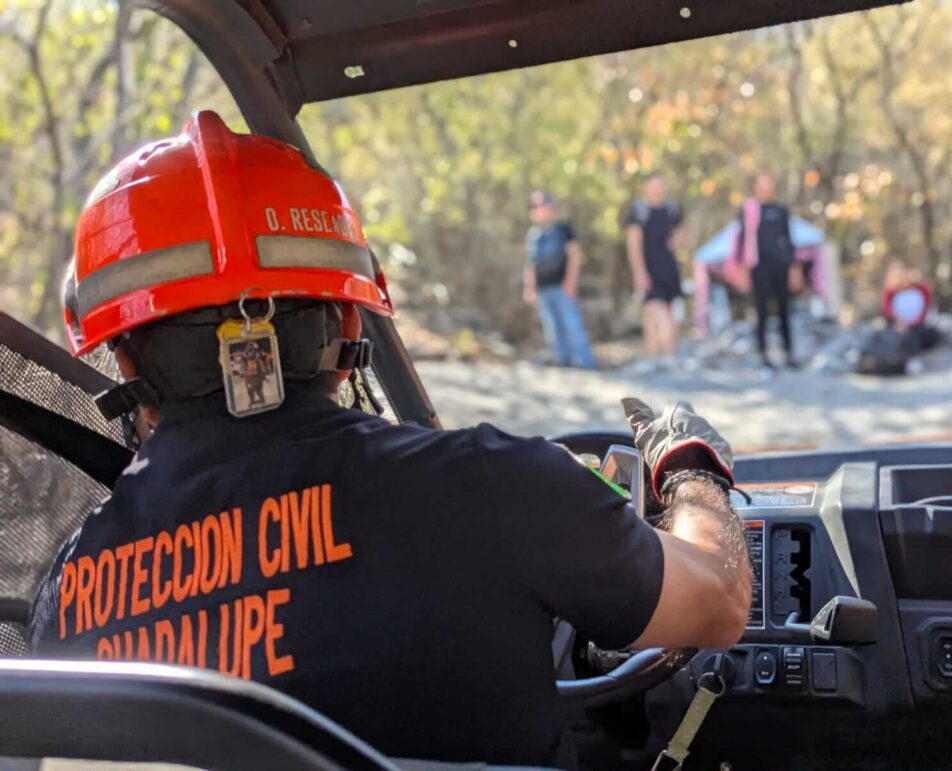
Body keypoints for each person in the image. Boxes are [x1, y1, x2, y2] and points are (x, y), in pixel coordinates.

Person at [31, 112, 751, 770]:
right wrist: (691, 467)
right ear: (350, 325)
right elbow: (716, 599)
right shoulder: (491, 485)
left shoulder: (67, 593)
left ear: (122, 358)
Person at [729, 172, 797, 371]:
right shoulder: (749, 210)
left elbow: (789, 240)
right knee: (761, 311)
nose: (766, 186)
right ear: (756, 186)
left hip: (781, 267)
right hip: (758, 268)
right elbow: (741, 241)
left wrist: (794, 268)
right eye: (762, 182)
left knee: (785, 310)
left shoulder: (781, 210)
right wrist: (742, 269)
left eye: (769, 182)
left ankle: (788, 354)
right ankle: (764, 356)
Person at [522, 190, 596, 368]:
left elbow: (574, 256)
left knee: (572, 325)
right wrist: (529, 288)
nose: (536, 210)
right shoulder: (533, 235)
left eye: (540, 205)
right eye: (533, 206)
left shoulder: (564, 229)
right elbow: (531, 264)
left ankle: (587, 363)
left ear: (550, 207)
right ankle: (563, 362)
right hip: (543, 288)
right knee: (552, 328)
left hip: (562, 286)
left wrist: (570, 283)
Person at [624, 174, 686, 361]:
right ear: (646, 188)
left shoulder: (672, 209)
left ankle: (670, 353)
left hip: (669, 266)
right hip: (648, 267)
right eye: (653, 185)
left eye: (660, 185)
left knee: (672, 311)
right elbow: (633, 244)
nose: (657, 189)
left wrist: (677, 241)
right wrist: (639, 272)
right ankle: (653, 354)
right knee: (651, 310)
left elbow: (683, 229)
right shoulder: (639, 211)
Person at [880, 257, 938, 372]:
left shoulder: (921, 289)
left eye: (902, 272)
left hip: (917, 326)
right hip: (896, 327)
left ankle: (914, 359)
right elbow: (888, 311)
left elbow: (923, 310)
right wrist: (899, 322)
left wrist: (912, 323)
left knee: (919, 334)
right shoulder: (889, 293)